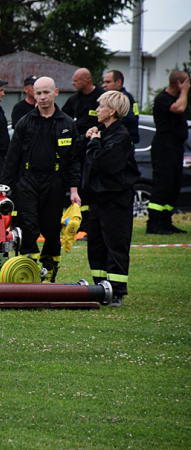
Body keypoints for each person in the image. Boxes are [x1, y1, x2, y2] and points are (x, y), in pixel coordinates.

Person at [1, 77, 82, 282]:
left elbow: (73, 161)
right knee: (28, 226)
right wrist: (5, 189)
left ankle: (49, 271)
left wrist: (74, 190)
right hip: (27, 181)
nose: (43, 97)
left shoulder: (67, 124)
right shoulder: (25, 123)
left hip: (54, 182)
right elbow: (12, 158)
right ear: (33, 95)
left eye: (46, 92)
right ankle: (26, 272)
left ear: (56, 92)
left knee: (52, 229)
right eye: (38, 93)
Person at [82, 91, 140, 308]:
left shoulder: (119, 137)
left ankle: (116, 291)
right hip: (98, 199)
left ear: (112, 111)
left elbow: (104, 164)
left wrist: (95, 143)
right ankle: (100, 287)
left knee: (115, 244)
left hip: (116, 201)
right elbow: (87, 161)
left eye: (100, 106)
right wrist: (89, 139)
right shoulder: (104, 133)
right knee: (96, 246)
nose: (97, 110)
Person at [146, 70, 190, 235]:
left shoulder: (178, 98)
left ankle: (165, 222)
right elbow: (178, 109)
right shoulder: (163, 98)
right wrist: (184, 92)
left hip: (176, 148)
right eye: (187, 83)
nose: (189, 87)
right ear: (179, 84)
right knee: (162, 186)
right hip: (164, 148)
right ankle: (153, 224)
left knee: (173, 186)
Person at [62, 68, 104, 231]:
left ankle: (91, 223)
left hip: (95, 149)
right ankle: (81, 222)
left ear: (85, 81)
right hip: (78, 149)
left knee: (91, 187)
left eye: (75, 80)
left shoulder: (100, 96)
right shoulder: (75, 100)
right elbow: (62, 117)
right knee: (79, 186)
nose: (72, 83)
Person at [102, 70, 140, 144]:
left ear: (118, 82)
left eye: (108, 82)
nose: (104, 85)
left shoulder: (122, 99)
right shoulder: (128, 97)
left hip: (122, 142)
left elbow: (130, 118)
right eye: (104, 82)